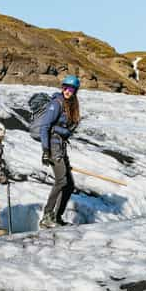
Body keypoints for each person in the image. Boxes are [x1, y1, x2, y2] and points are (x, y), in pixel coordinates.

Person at [39, 75, 81, 229]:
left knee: (69, 185)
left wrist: (66, 131)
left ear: (75, 91)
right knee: (61, 181)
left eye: (71, 89)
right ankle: (47, 216)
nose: (67, 91)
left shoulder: (71, 105)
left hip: (61, 147)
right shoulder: (56, 104)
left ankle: (57, 217)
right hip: (53, 147)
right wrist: (45, 150)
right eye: (65, 87)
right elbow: (44, 127)